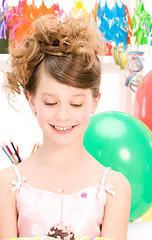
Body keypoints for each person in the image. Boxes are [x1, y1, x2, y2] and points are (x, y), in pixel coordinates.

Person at [0, 14, 131, 240]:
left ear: (95, 101)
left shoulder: (113, 187)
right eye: (50, 103)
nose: (63, 115)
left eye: (76, 103)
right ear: (32, 100)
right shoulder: (9, 184)